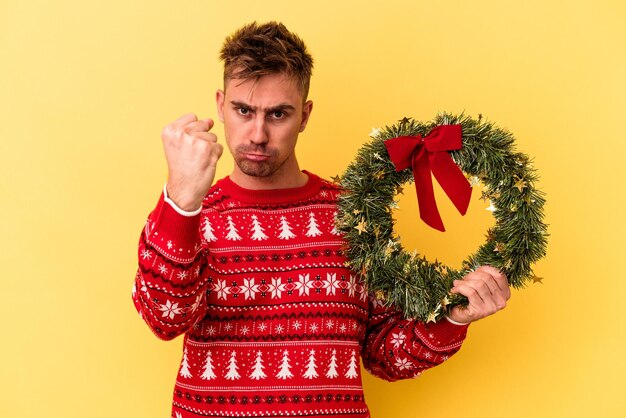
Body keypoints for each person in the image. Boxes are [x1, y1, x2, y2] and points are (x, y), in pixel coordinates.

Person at [132, 21, 510, 418]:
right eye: (244, 110)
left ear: (305, 115)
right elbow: (164, 319)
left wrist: (453, 319)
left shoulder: (353, 216)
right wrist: (182, 200)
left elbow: (385, 355)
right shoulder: (187, 210)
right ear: (220, 105)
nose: (258, 134)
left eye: (278, 114)